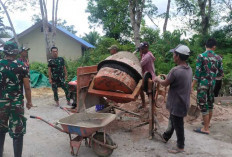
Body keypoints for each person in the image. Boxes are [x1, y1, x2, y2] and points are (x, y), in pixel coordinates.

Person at [154, 44, 192, 153]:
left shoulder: (175, 70)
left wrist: (157, 79)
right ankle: (166, 136)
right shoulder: (188, 69)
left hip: (177, 103)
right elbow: (174, 80)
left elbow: (165, 84)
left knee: (178, 125)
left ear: (178, 56)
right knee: (173, 120)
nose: (173, 56)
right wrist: (168, 77)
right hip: (183, 102)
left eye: (174, 54)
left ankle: (180, 146)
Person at [0, 41, 32, 157]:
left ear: (4, 51)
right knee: (17, 132)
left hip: (1, 104)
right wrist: (29, 102)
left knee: (0, 130)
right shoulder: (22, 66)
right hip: (16, 104)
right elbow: (27, 87)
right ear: (15, 52)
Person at [192, 38, 223, 134]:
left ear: (205, 46)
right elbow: (220, 74)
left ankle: (205, 129)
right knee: (210, 104)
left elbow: (197, 74)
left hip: (203, 85)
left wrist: (191, 86)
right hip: (212, 85)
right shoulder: (219, 58)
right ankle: (207, 124)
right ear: (214, 47)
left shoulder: (201, 56)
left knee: (203, 105)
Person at [138, 42, 156, 108]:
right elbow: (142, 58)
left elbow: (140, 65)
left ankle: (152, 109)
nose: (141, 50)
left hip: (150, 76)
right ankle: (143, 104)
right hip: (145, 75)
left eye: (142, 49)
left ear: (146, 48)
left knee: (150, 93)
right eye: (140, 49)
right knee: (140, 89)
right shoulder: (145, 54)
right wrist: (141, 53)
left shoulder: (148, 56)